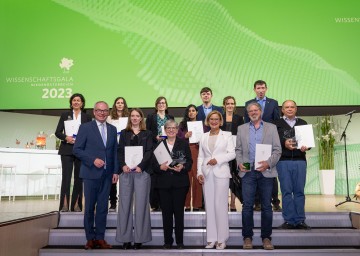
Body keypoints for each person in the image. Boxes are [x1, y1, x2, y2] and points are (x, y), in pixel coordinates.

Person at [235, 102, 281, 250]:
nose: (253, 112)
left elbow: (277, 150)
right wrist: (240, 163)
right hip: (248, 172)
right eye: (250, 111)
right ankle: (247, 237)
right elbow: (238, 150)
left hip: (266, 171)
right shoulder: (241, 129)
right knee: (247, 206)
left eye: (256, 110)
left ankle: (266, 238)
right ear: (248, 114)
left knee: (267, 206)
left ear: (260, 111)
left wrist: (268, 163)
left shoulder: (271, 128)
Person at [73, 101, 119, 250]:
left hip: (107, 175)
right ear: (94, 112)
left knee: (103, 208)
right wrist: (92, 160)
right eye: (99, 110)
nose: (102, 113)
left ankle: (100, 238)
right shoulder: (85, 128)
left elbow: (114, 153)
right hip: (90, 173)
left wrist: (115, 171)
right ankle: (90, 239)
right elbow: (77, 150)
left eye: (105, 111)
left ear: (108, 112)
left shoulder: (113, 129)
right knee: (89, 208)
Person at [197, 110, 235, 250]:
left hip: (221, 173)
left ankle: (222, 239)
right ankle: (211, 239)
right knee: (209, 206)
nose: (214, 121)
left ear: (220, 121)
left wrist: (217, 160)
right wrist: (199, 173)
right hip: (207, 174)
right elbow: (200, 156)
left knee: (220, 206)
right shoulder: (204, 136)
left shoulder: (227, 135)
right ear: (208, 121)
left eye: (216, 119)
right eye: (211, 119)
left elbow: (232, 153)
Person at [116, 108, 153, 250]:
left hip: (141, 172)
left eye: (137, 116)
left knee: (141, 205)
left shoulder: (147, 133)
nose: (135, 118)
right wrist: (123, 165)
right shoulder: (124, 133)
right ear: (129, 118)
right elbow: (119, 150)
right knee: (124, 205)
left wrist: (141, 166)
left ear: (141, 118)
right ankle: (125, 239)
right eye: (132, 116)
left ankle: (140, 239)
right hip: (126, 172)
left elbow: (149, 151)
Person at [153, 119, 192, 249]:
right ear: (165, 130)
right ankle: (168, 241)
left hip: (180, 183)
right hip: (163, 184)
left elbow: (190, 162)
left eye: (173, 128)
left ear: (177, 130)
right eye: (168, 128)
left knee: (179, 214)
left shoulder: (183, 144)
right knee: (166, 214)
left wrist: (183, 166)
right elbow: (153, 165)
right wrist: (160, 167)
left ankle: (180, 242)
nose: (171, 130)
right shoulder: (158, 145)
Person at [244, 80, 281, 212]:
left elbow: (277, 121)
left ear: (266, 89)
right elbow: (245, 124)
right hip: (253, 142)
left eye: (263, 88)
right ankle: (257, 202)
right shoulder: (248, 104)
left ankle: (275, 202)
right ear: (254, 89)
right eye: (258, 88)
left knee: (270, 171)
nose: (260, 90)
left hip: (268, 142)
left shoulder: (274, 103)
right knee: (255, 171)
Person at [274, 100, 311, 230]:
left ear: (296, 109)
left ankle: (300, 220)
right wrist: (284, 143)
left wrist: (306, 147)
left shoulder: (303, 123)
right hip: (283, 161)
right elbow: (273, 142)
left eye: (292, 107)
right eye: (286, 107)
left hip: (300, 161)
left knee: (299, 191)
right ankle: (289, 220)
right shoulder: (276, 124)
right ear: (282, 110)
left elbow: (308, 143)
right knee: (286, 192)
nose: (289, 109)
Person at [55, 93, 92, 212]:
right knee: (66, 178)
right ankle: (64, 205)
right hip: (66, 150)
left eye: (78, 100)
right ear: (71, 103)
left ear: (82, 103)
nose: (76, 102)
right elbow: (57, 132)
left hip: (81, 151)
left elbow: (89, 135)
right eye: (74, 100)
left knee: (79, 178)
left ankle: (76, 205)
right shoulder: (65, 115)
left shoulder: (87, 117)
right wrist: (66, 138)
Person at [146, 96, 174, 211]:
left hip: (167, 147)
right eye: (159, 103)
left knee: (166, 172)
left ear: (166, 105)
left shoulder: (170, 117)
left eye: (163, 103)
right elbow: (147, 131)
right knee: (155, 174)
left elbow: (173, 131)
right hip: (155, 147)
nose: (161, 105)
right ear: (156, 105)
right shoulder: (151, 117)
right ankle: (154, 203)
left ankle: (165, 202)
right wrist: (155, 137)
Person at [177, 104, 203, 211]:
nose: (191, 112)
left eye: (193, 110)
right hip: (185, 151)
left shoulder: (202, 125)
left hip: (198, 150)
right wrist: (185, 136)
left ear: (197, 112)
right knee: (186, 178)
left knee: (197, 177)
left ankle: (197, 204)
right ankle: (186, 204)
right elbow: (177, 138)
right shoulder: (182, 126)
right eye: (189, 111)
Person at [220, 96, 244, 211]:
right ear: (224, 105)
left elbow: (241, 135)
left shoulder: (239, 118)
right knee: (224, 178)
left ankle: (233, 203)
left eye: (232, 103)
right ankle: (224, 202)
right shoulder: (220, 118)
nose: (230, 105)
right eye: (228, 103)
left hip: (235, 152)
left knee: (235, 177)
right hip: (222, 152)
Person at [106, 97, 129, 212]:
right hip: (113, 149)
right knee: (113, 177)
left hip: (125, 149)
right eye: (118, 103)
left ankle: (125, 202)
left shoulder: (129, 118)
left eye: (122, 103)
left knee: (125, 176)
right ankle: (113, 203)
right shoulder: (109, 118)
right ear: (115, 105)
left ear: (124, 105)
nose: (120, 105)